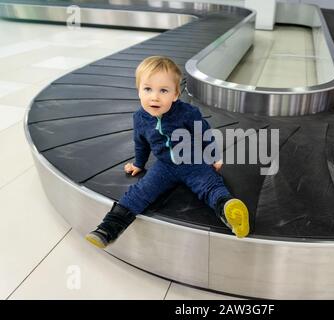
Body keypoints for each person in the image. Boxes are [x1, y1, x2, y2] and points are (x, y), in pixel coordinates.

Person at [85, 56, 250, 248]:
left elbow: (204, 133)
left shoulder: (187, 112)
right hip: (164, 167)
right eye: (148, 89)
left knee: (210, 186)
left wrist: (213, 156)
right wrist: (139, 164)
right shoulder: (139, 118)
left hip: (193, 162)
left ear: (175, 94)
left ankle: (229, 210)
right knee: (140, 192)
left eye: (163, 90)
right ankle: (109, 228)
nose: (154, 96)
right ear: (139, 91)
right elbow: (141, 143)